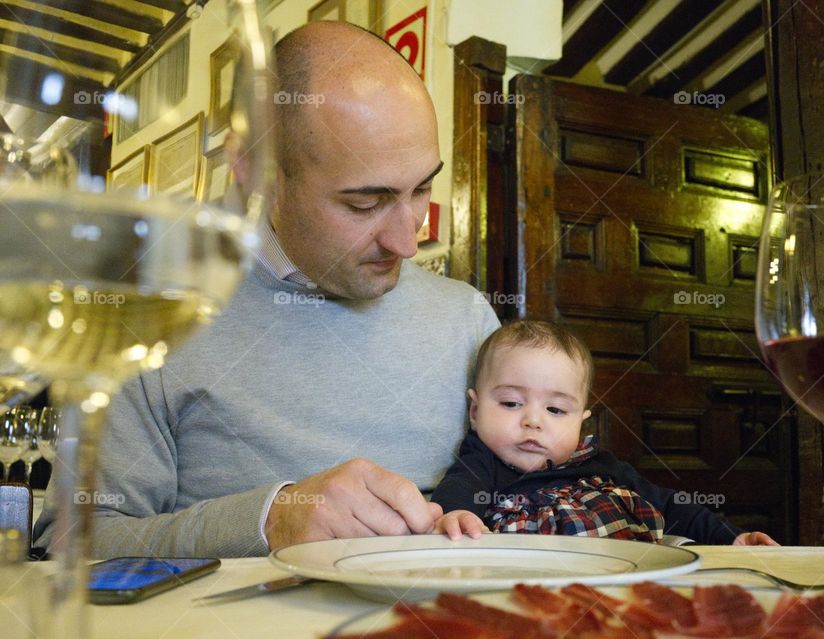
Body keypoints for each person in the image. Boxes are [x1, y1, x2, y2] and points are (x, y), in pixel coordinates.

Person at [34, 21, 499, 558]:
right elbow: (69, 545)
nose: (407, 242)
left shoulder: (468, 320)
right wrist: (269, 520)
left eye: (421, 188)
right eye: (364, 203)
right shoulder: (142, 312)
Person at [431, 321, 778, 546]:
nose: (533, 421)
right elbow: (458, 489)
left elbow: (672, 505)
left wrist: (732, 539)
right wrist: (458, 516)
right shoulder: (484, 462)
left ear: (581, 421)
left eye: (555, 410)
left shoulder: (600, 466)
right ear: (475, 412)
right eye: (510, 403)